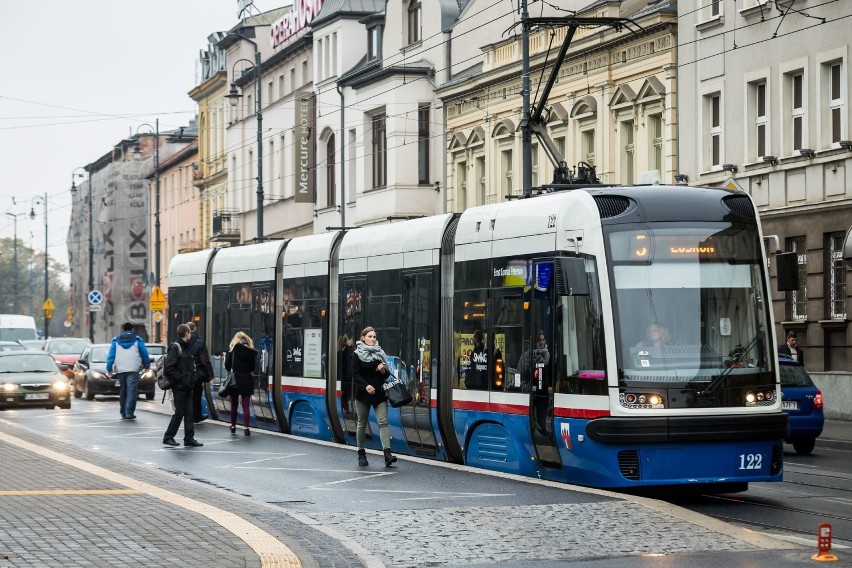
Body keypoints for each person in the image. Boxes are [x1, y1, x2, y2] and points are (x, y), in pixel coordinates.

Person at [351, 326, 397, 467]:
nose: (372, 339)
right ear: (363, 338)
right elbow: (355, 374)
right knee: (362, 423)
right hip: (363, 394)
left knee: (383, 421)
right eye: (370, 336)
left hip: (379, 394)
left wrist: (382, 370)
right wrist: (366, 386)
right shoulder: (357, 354)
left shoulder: (380, 353)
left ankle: (387, 454)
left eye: (374, 337)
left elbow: (387, 375)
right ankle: (361, 454)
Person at [162, 323, 202, 447]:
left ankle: (189, 438)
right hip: (179, 386)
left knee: (189, 413)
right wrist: (182, 379)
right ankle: (168, 437)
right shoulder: (176, 347)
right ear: (186, 333)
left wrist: (192, 378)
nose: (191, 334)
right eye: (190, 332)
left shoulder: (186, 347)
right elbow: (169, 367)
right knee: (179, 413)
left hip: (188, 385)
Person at [106, 322, 151, 420]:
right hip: (133, 368)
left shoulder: (116, 341)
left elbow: (111, 356)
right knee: (131, 391)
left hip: (120, 369)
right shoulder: (138, 340)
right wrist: (147, 365)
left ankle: (123, 411)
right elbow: (144, 353)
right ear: (133, 329)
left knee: (123, 390)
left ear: (122, 329)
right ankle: (129, 412)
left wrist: (109, 369)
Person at [224, 331, 258, 436]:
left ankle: (233, 426)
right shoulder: (251, 352)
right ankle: (246, 428)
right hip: (247, 379)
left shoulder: (232, 351)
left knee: (234, 404)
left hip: (235, 380)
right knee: (246, 405)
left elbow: (227, 366)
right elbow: (253, 368)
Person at [519, 331, 552, 434]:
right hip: (534, 386)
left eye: (543, 340)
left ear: (545, 341)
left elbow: (550, 371)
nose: (541, 342)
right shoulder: (532, 354)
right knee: (534, 409)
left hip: (545, 387)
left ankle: (542, 428)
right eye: (540, 340)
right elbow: (527, 370)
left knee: (543, 410)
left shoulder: (547, 355)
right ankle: (534, 429)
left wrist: (550, 385)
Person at [186, 321, 214, 423]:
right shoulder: (199, 341)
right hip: (196, 374)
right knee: (197, 395)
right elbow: (204, 359)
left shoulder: (181, 341)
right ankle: (196, 416)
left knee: (186, 395)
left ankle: (187, 415)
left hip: (184, 373)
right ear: (195, 329)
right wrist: (210, 374)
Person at [338, 334, 355, 413]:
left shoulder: (340, 351)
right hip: (347, 377)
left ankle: (344, 406)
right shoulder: (348, 350)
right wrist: (350, 346)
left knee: (344, 393)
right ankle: (346, 407)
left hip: (342, 376)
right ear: (347, 341)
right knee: (346, 393)